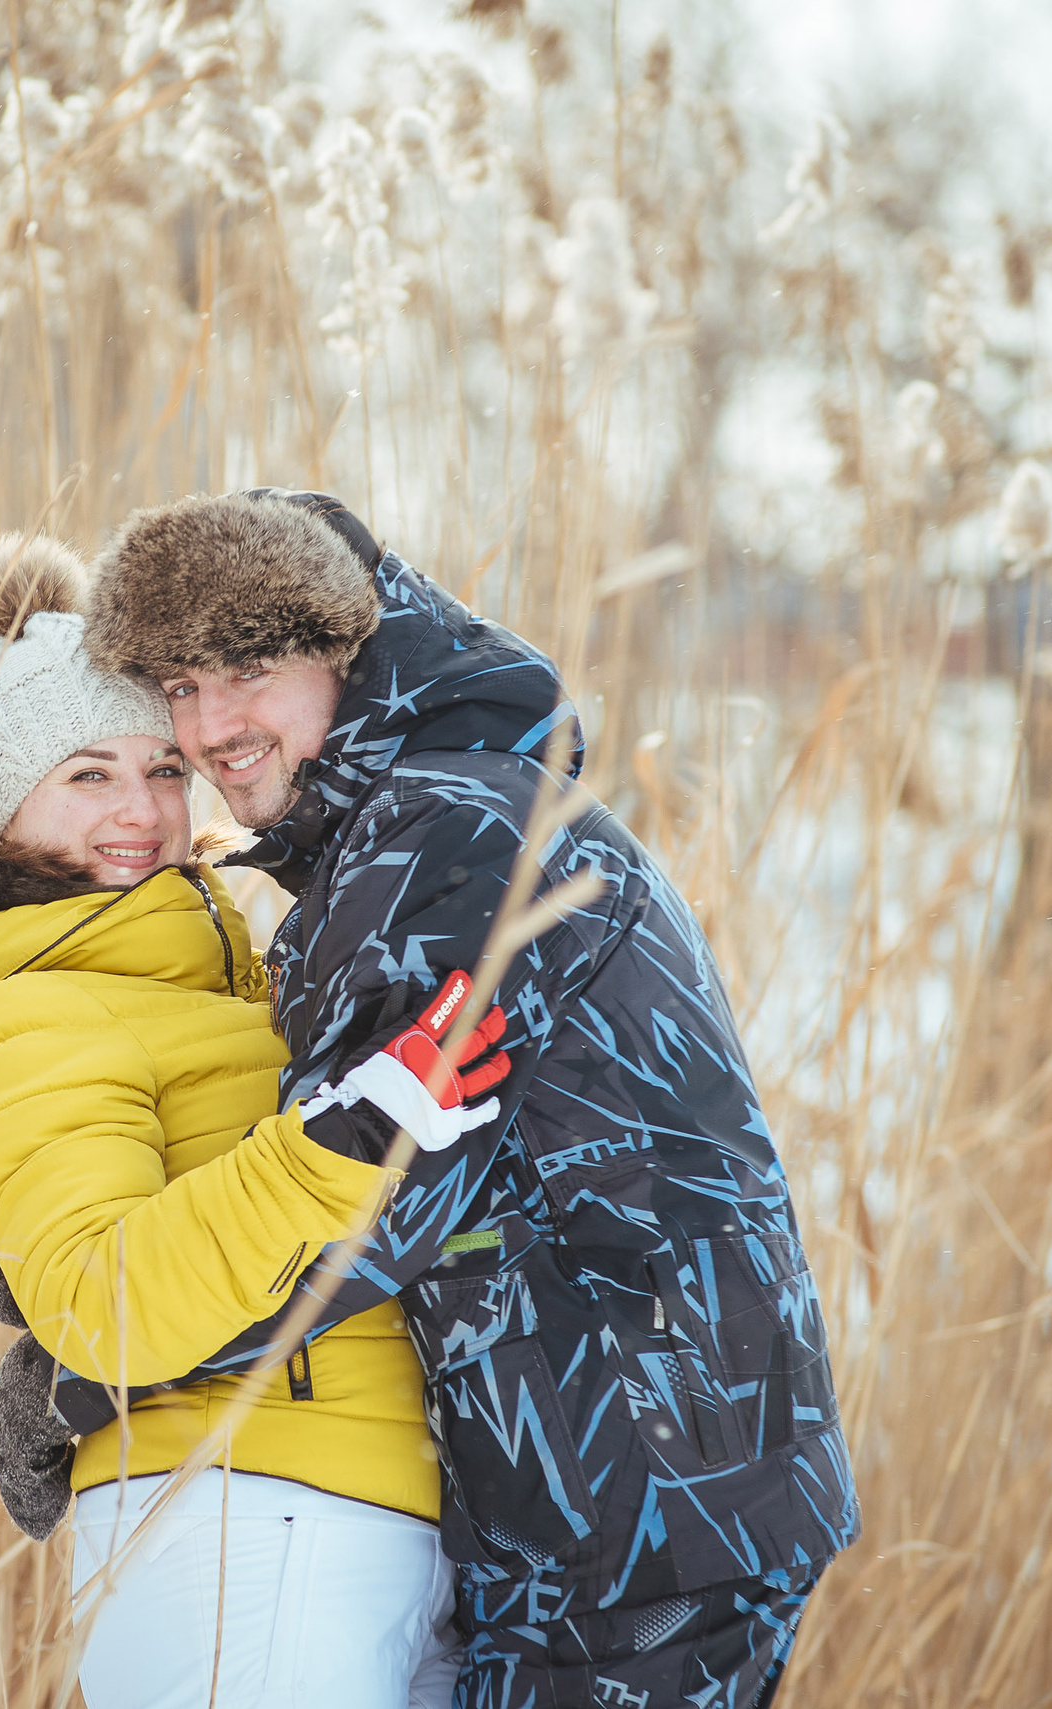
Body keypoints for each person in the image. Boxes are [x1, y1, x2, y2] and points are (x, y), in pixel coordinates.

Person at [80, 489, 862, 1709]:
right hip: (653, 1480)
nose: (210, 724)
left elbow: (356, 1199)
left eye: (247, 668)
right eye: (179, 686)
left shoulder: (439, 836)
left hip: (633, 1505)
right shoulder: (442, 808)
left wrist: (88, 1366)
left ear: (344, 651)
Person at [0, 531, 520, 1709]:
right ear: (2, 803)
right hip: (239, 1523)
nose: (140, 810)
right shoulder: (28, 1012)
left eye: (161, 770)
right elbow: (101, 1299)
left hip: (363, 1515)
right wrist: (342, 1139)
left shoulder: (225, 977)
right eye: (86, 774)